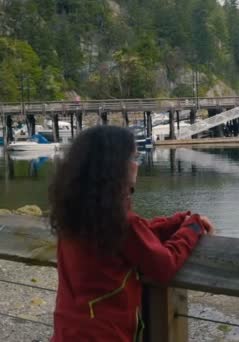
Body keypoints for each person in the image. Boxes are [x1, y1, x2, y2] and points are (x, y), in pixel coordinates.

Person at [48, 126, 214, 341]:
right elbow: (164, 266)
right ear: (116, 167)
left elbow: (136, 236)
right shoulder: (119, 221)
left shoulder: (74, 212)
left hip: (68, 328)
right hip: (104, 333)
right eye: (134, 158)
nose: (137, 166)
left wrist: (177, 222)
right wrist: (193, 229)